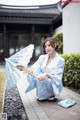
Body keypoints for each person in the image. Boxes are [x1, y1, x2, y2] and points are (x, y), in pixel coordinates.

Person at [17, 37, 65, 101]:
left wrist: (45, 75)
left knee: (45, 79)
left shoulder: (60, 60)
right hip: (41, 80)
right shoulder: (42, 58)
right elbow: (35, 69)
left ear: (55, 45)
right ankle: (42, 96)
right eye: (45, 46)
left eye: (49, 45)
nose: (47, 48)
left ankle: (51, 94)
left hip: (53, 83)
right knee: (38, 77)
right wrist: (25, 69)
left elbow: (57, 75)